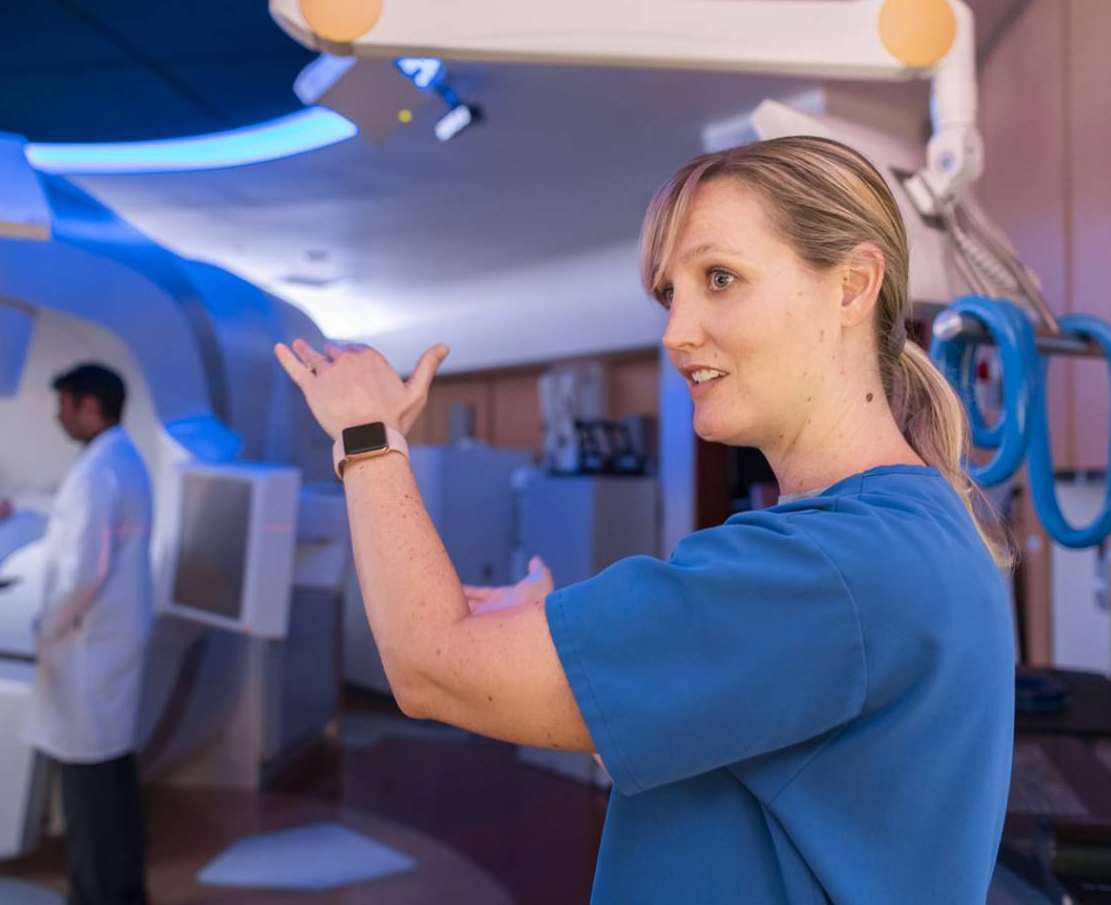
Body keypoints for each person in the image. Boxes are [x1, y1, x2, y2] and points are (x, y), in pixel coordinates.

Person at [273, 136, 1015, 903]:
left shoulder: (830, 566)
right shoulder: (916, 523)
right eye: (670, 294)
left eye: (719, 278)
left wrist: (366, 434)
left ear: (852, 287)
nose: (675, 332)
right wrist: (610, 668)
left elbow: (429, 667)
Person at [22, 362, 154, 905]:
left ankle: (97, 895)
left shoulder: (98, 470)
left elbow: (82, 571)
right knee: (112, 776)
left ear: (89, 405)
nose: (58, 416)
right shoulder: (123, 458)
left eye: (64, 404)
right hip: (109, 639)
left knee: (90, 788)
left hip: (87, 643)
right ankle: (124, 891)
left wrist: (47, 627)